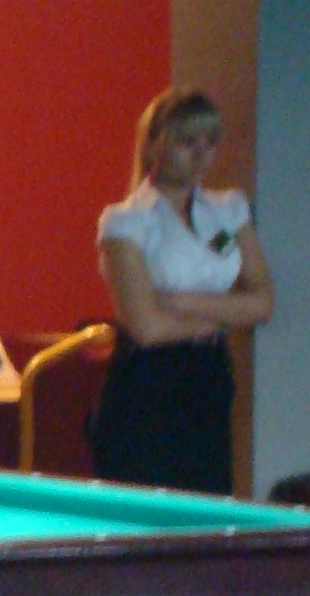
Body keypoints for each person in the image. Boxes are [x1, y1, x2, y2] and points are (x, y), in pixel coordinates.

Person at [92, 87, 275, 494]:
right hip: (149, 382)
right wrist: (221, 317)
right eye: (187, 142)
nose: (200, 155)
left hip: (209, 375)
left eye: (210, 143)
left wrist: (180, 302)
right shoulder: (127, 220)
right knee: (147, 501)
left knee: (208, 498)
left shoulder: (227, 209)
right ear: (154, 144)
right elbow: (146, 327)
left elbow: (262, 302)